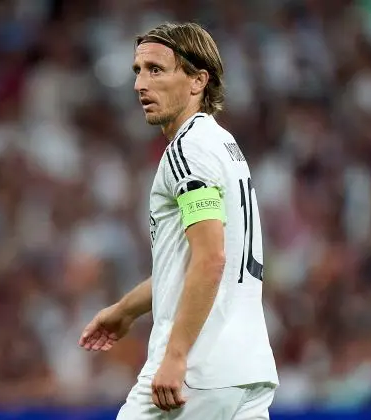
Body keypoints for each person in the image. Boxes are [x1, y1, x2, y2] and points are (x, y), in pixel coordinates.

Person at [79, 22, 278, 419]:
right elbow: (190, 263)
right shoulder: (223, 145)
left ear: (197, 81)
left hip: (198, 367)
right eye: (138, 71)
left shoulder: (187, 152)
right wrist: (126, 310)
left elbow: (210, 258)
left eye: (156, 70)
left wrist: (176, 356)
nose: (140, 84)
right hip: (247, 369)